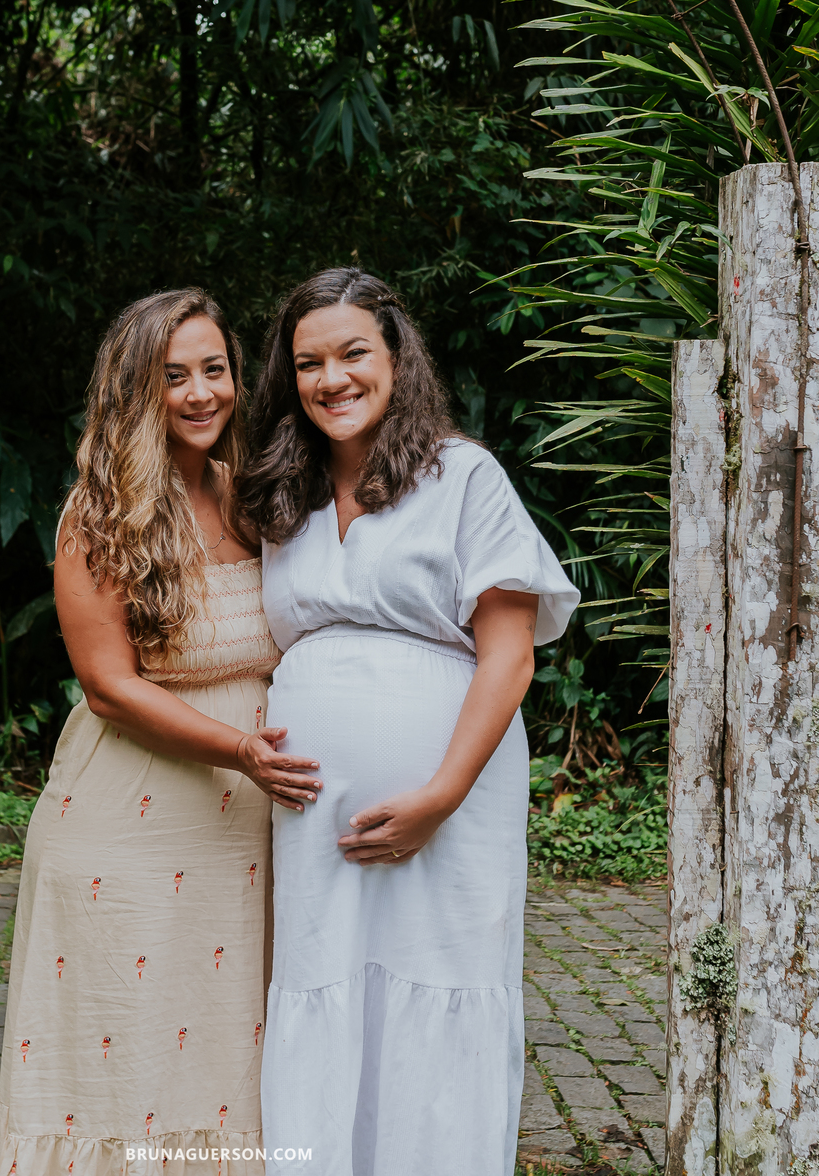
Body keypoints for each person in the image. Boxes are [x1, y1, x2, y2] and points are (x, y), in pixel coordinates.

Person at [240, 268, 579, 1176]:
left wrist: (440, 795)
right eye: (309, 362)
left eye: (354, 353)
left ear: (397, 357)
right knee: (323, 984)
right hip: (314, 811)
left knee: (443, 982)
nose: (332, 379)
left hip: (452, 798)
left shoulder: (461, 474)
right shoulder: (282, 493)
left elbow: (509, 654)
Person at [0, 288, 321, 1176]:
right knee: (123, 1058)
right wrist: (244, 751)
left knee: (222, 1055)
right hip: (128, 824)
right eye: (176, 376)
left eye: (216, 370)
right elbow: (107, 688)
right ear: (138, 391)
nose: (203, 392)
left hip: (243, 834)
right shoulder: (98, 514)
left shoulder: (248, 497)